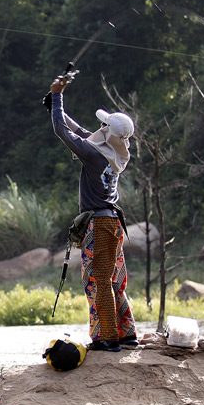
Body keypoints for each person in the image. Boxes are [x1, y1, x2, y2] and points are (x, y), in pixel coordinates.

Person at [49, 72, 137, 352]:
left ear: (108, 131)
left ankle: (107, 338)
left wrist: (58, 97)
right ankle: (127, 334)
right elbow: (83, 133)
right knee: (114, 281)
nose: (99, 126)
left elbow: (64, 133)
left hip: (98, 226)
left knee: (97, 281)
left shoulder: (94, 155)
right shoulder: (116, 153)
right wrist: (55, 105)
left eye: (104, 124)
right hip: (112, 224)